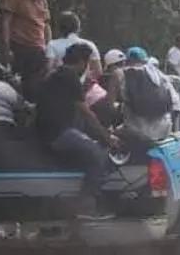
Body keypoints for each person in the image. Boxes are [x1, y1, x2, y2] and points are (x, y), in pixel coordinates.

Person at [35, 43, 119, 218]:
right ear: (82, 62)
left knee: (87, 149)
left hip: (45, 133)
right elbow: (86, 113)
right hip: (59, 133)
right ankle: (86, 206)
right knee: (99, 155)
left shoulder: (53, 76)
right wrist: (107, 137)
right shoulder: (70, 76)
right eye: (87, 64)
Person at [0, 0, 51, 101]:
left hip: (38, 49)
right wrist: (6, 48)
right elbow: (6, 23)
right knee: (15, 85)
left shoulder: (42, 0)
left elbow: (45, 25)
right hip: (19, 46)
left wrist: (48, 47)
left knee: (36, 88)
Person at [115, 47, 180, 144]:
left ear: (127, 61)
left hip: (137, 133)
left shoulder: (124, 75)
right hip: (163, 133)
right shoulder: (162, 77)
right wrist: (174, 132)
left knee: (112, 132)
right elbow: (176, 105)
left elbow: (117, 103)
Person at [45, 11, 102, 81]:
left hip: (59, 85)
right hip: (83, 88)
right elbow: (98, 72)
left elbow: (49, 69)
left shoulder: (52, 44)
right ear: (78, 27)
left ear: (59, 28)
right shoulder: (90, 45)